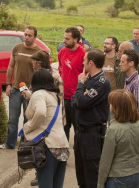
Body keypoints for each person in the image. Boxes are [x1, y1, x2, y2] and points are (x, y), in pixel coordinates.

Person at [23, 68, 69, 188]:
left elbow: (40, 112)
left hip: (48, 147)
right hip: (62, 146)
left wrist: (28, 127)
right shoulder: (54, 96)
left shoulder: (38, 94)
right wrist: (28, 94)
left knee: (45, 185)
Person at [72, 49, 111, 188]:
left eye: (84, 60)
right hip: (80, 132)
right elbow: (74, 101)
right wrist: (80, 91)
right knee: (81, 173)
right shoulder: (88, 78)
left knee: (91, 175)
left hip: (92, 134)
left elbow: (81, 102)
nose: (82, 62)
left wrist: (80, 85)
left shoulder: (101, 82)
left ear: (91, 63)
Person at [0, 26, 42, 150]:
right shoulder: (17, 48)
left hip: (29, 91)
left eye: (30, 35)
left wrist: (35, 90)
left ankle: (25, 144)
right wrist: (8, 84)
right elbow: (11, 66)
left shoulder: (38, 52)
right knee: (12, 119)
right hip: (16, 88)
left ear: (35, 37)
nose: (27, 37)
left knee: (28, 119)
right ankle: (10, 143)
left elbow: (41, 71)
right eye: (25, 35)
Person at [97, 89, 139, 188]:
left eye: (111, 104)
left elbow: (105, 161)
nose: (109, 106)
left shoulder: (114, 130)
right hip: (136, 173)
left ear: (117, 108)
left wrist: (100, 184)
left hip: (118, 177)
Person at [58, 27, 86, 141]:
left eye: (67, 38)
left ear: (75, 39)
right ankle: (62, 155)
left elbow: (86, 75)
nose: (64, 41)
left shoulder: (83, 54)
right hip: (63, 97)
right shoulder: (62, 52)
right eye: (64, 38)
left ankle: (78, 152)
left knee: (78, 128)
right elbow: (60, 70)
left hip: (76, 98)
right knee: (63, 127)